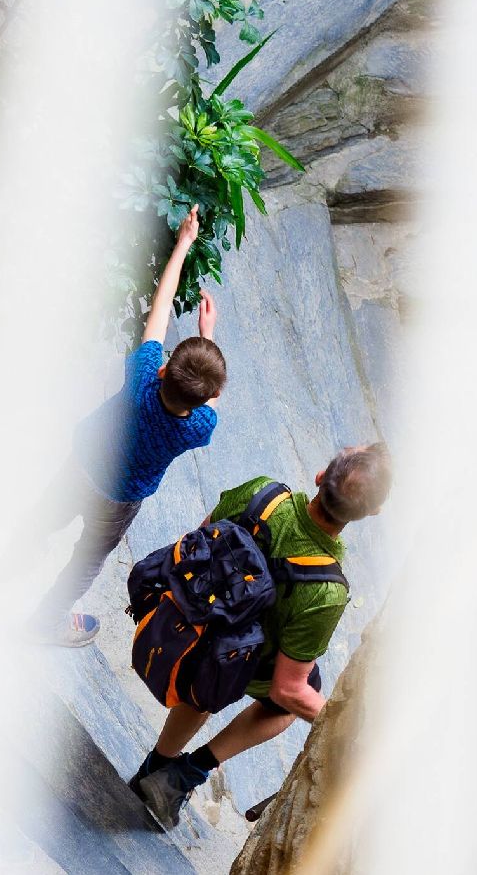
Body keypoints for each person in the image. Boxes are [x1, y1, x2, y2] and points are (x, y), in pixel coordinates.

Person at [130, 443, 393, 826]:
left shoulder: (263, 493)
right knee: (292, 695)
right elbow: (287, 690)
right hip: (229, 662)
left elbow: (199, 540)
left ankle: (157, 766)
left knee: (218, 654)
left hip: (186, 621)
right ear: (372, 513)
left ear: (321, 476)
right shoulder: (327, 589)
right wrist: (338, 720)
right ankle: (183, 775)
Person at [33, 205, 226, 646]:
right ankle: (47, 620)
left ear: (162, 370)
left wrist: (183, 243)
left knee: (48, 511)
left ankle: (14, 553)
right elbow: (213, 398)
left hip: (83, 460)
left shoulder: (142, 376)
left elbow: (159, 307)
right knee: (87, 559)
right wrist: (210, 334)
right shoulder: (199, 427)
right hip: (119, 498)